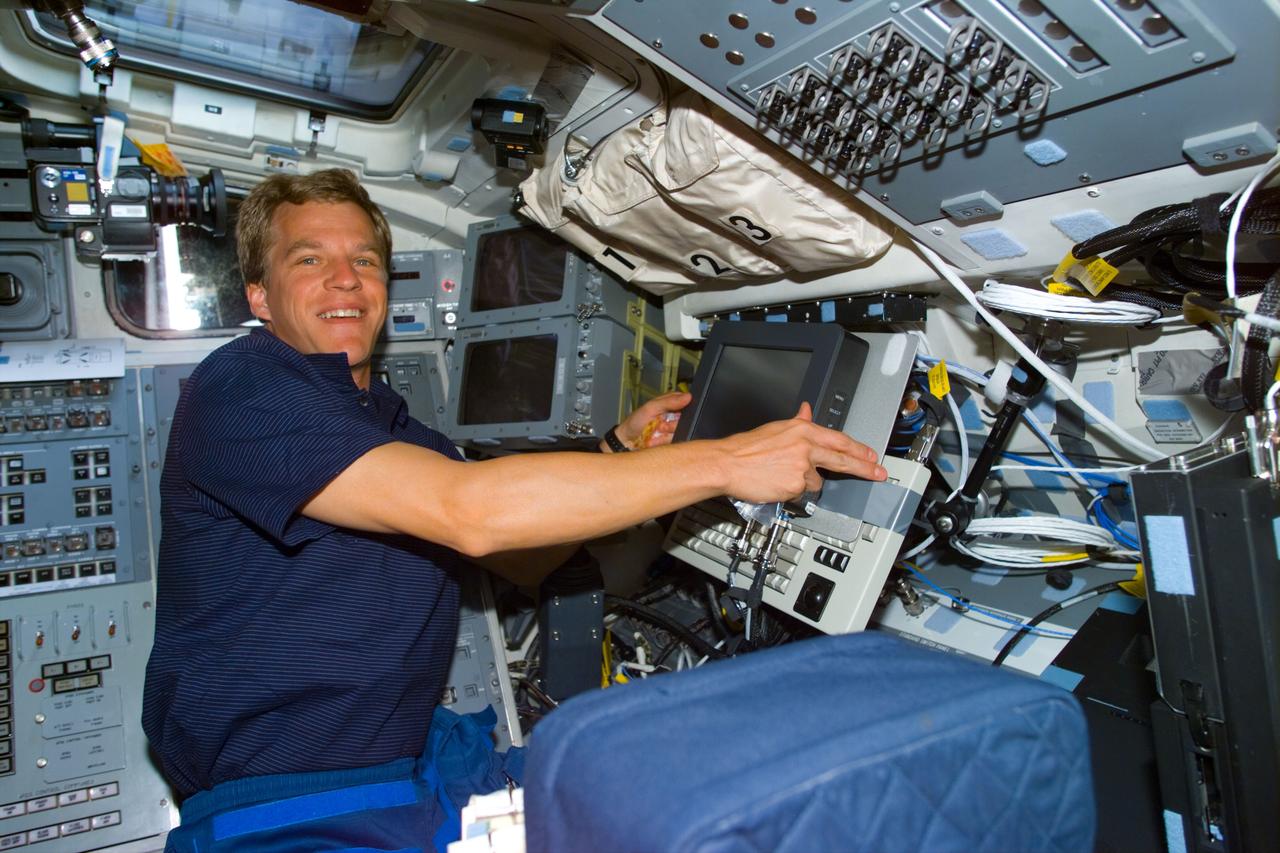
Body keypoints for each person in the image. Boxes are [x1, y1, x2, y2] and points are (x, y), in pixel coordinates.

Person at [142, 168, 886, 852]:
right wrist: (728, 461)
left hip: (408, 771)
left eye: (365, 259)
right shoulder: (242, 389)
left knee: (687, 768)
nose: (346, 279)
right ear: (260, 295)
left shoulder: (391, 426)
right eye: (310, 259)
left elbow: (513, 555)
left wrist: (621, 457)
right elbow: (471, 511)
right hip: (293, 811)